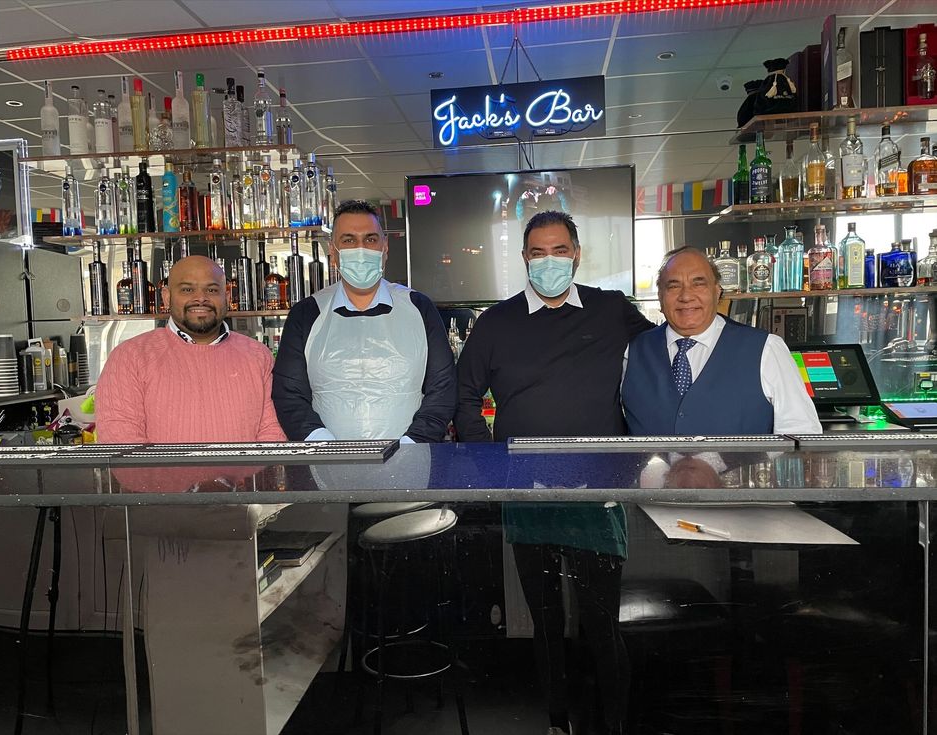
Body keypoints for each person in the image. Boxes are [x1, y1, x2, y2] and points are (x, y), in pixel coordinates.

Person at [456, 210, 654, 735]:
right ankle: (557, 722)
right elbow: (465, 397)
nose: (549, 261)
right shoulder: (496, 323)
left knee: (600, 623)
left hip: (599, 491)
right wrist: (489, 465)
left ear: (577, 253)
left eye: (559, 250)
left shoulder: (613, 311)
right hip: (526, 491)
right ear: (524, 259)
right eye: (538, 253)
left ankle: (611, 725)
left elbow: (659, 362)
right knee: (544, 622)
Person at [272, 199, 455, 442]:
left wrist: (410, 446)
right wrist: (327, 448)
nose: (361, 249)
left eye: (370, 239)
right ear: (333, 253)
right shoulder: (306, 314)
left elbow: (442, 390)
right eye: (348, 240)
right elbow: (289, 395)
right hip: (327, 467)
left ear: (385, 247)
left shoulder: (418, 308)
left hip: (410, 464)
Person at [622, 246, 822, 435]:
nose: (686, 296)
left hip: (744, 472)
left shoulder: (766, 349)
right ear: (660, 296)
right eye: (673, 286)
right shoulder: (632, 351)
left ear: (717, 292)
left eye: (698, 284)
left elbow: (801, 434)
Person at [96, 255, 285, 444]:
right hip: (161, 475)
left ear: (226, 297)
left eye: (211, 290)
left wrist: (246, 474)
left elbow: (273, 432)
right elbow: (121, 440)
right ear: (166, 297)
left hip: (247, 475)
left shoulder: (258, 355)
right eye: (187, 289)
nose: (200, 298)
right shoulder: (130, 357)